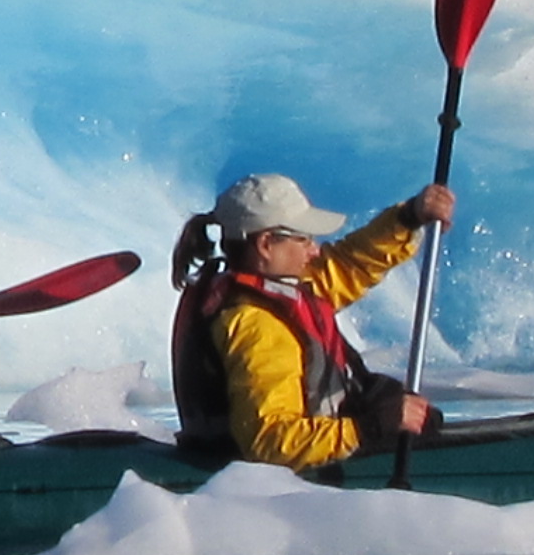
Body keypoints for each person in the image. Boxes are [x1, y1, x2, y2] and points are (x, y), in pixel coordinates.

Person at [170, 172, 453, 470]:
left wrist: (409, 217)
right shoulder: (257, 325)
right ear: (266, 244)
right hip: (277, 485)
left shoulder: (277, 286)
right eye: (304, 239)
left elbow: (348, 265)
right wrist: (369, 427)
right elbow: (270, 442)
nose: (314, 250)